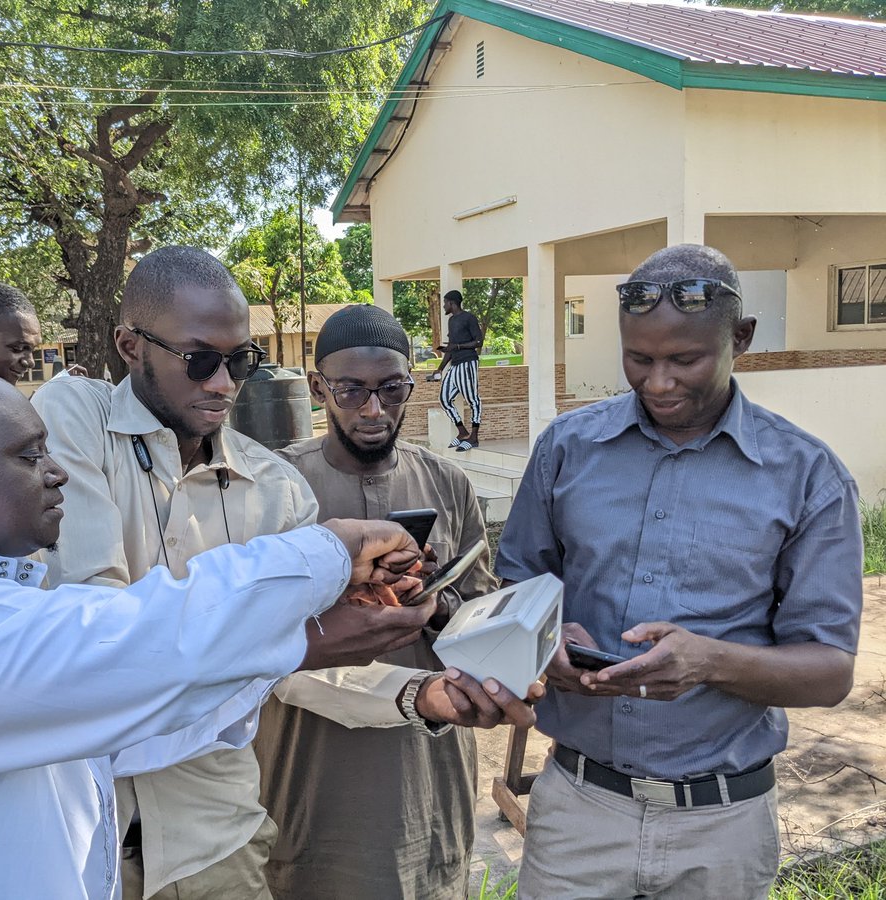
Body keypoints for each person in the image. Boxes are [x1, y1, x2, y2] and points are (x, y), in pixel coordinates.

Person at [0, 365, 423, 900]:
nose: (57, 473)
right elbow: (136, 638)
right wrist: (329, 550)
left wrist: (305, 642)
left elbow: (130, 719)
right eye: (29, 456)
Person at [31, 247, 445, 900]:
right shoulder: (76, 416)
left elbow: (299, 666)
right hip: (78, 844)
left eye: (240, 361)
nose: (224, 384)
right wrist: (276, 632)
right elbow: (99, 632)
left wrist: (420, 693)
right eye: (200, 361)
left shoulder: (276, 489)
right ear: (130, 346)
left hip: (213, 843)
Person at [496, 244, 864, 900]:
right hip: (579, 810)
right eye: (639, 360)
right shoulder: (567, 449)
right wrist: (540, 639)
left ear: (740, 338)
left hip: (722, 827)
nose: (659, 383)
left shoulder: (807, 476)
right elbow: (518, 585)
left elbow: (830, 671)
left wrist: (707, 662)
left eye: (684, 360)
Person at [254, 303, 539, 900]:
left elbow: (485, 623)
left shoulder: (447, 483)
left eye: (392, 388)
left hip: (426, 770)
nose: (374, 410)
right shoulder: (274, 486)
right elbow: (257, 635)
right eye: (352, 391)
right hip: (312, 770)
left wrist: (433, 602)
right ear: (317, 389)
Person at [426, 289, 483, 451]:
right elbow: (450, 349)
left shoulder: (469, 318)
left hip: (468, 362)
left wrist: (459, 346)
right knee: (444, 399)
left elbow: (479, 341)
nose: (443, 306)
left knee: (473, 399)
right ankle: (462, 431)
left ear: (452, 303)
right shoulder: (451, 321)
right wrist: (439, 369)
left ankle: (474, 437)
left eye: (445, 303)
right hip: (455, 365)